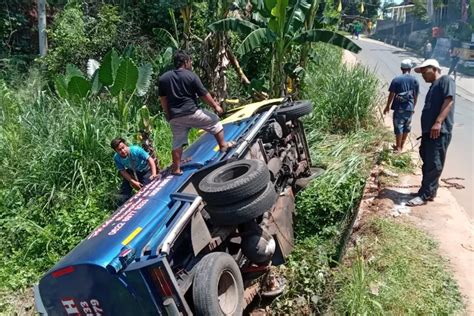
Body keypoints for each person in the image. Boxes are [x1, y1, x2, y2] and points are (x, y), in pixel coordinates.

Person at [159, 50, 234, 176]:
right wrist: (216, 106)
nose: (191, 63)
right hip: (191, 112)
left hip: (175, 117)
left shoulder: (164, 78)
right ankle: (223, 145)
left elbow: (163, 99)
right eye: (190, 61)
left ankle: (176, 169)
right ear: (186, 62)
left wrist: (168, 114)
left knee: (177, 141)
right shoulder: (191, 76)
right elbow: (204, 94)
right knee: (214, 120)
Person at [407, 59, 455, 206]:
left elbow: (449, 101)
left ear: (433, 68)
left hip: (439, 131)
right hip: (429, 132)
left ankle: (425, 195)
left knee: (434, 163)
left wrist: (438, 122)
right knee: (427, 161)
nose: (422, 75)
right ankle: (427, 191)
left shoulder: (446, 80)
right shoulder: (433, 85)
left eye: (424, 71)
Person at [383, 59, 420, 153]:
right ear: (410, 69)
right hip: (410, 108)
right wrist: (413, 107)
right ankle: (401, 146)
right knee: (406, 127)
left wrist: (387, 106)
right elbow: (415, 96)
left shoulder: (396, 79)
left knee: (399, 126)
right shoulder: (415, 80)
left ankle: (398, 147)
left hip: (399, 107)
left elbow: (391, 94)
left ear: (401, 68)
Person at [111, 137, 158, 204]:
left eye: (123, 147)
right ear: (116, 151)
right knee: (126, 180)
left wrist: (154, 174)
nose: (123, 151)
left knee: (148, 189)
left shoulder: (136, 150)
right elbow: (123, 171)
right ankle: (124, 199)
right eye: (119, 150)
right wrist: (133, 182)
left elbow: (150, 159)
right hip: (134, 171)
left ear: (126, 145)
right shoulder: (117, 158)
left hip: (146, 169)